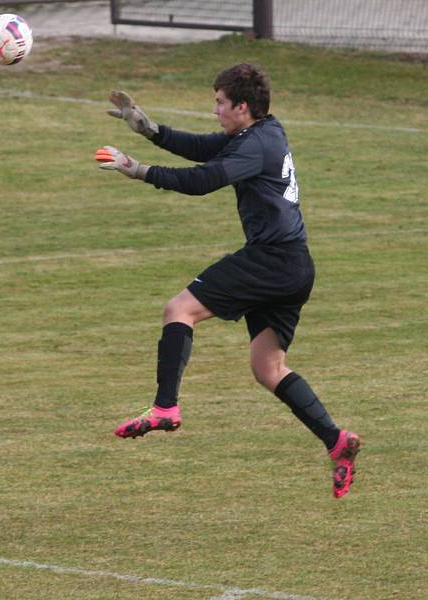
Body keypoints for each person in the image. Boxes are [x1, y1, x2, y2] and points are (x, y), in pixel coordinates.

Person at [96, 63, 360, 499]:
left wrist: (137, 169)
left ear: (242, 106)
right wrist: (149, 129)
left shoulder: (256, 145)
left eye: (220, 102)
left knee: (178, 309)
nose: (215, 109)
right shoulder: (263, 133)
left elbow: (204, 180)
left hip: (271, 261)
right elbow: (206, 149)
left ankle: (165, 407)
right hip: (294, 266)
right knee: (268, 367)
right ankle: (336, 441)